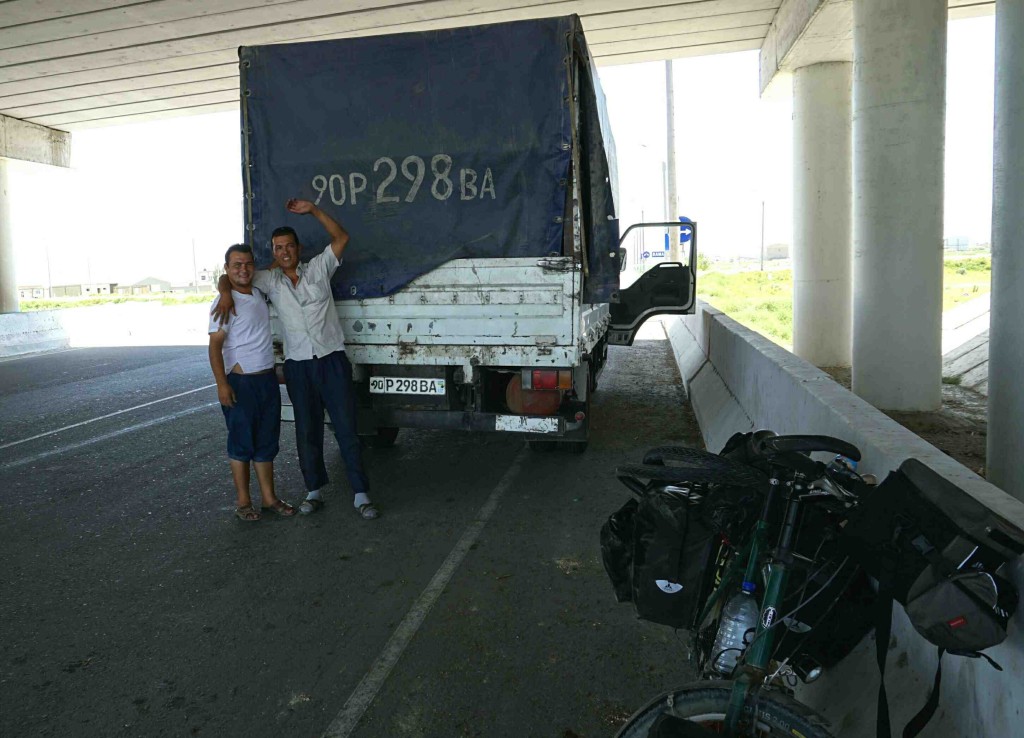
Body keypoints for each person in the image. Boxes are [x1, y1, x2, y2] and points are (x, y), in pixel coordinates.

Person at [214, 200, 379, 520]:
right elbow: (233, 277)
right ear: (273, 253)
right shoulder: (268, 280)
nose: (285, 251)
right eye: (278, 247)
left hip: (331, 360)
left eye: (289, 246)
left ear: (298, 248)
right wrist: (223, 291)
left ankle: (361, 493)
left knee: (346, 427)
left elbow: (342, 238)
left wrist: (315, 211)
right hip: (298, 366)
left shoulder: (319, 268)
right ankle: (314, 490)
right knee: (307, 428)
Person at [208, 244, 296, 522]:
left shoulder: (258, 290)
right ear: (227, 269)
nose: (242, 269)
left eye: (247, 264)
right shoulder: (223, 303)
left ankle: (269, 499)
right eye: (236, 265)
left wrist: (224, 287)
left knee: (266, 442)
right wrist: (222, 385)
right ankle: (244, 501)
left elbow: (270, 267)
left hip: (266, 379)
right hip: (240, 381)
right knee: (241, 443)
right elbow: (214, 347)